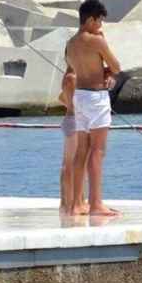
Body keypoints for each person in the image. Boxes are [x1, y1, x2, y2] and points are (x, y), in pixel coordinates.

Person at [67, 0, 122, 216]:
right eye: (99, 21)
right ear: (90, 19)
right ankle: (96, 203)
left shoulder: (71, 43)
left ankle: (76, 204)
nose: (101, 26)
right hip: (96, 98)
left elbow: (79, 67)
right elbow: (116, 66)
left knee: (81, 150)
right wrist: (107, 70)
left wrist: (103, 72)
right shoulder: (96, 40)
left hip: (79, 96)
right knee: (98, 151)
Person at [58, 67, 86, 214]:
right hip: (75, 121)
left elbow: (61, 98)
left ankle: (74, 201)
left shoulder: (70, 77)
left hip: (73, 120)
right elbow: (75, 104)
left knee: (75, 163)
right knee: (70, 165)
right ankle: (69, 202)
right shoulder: (72, 78)